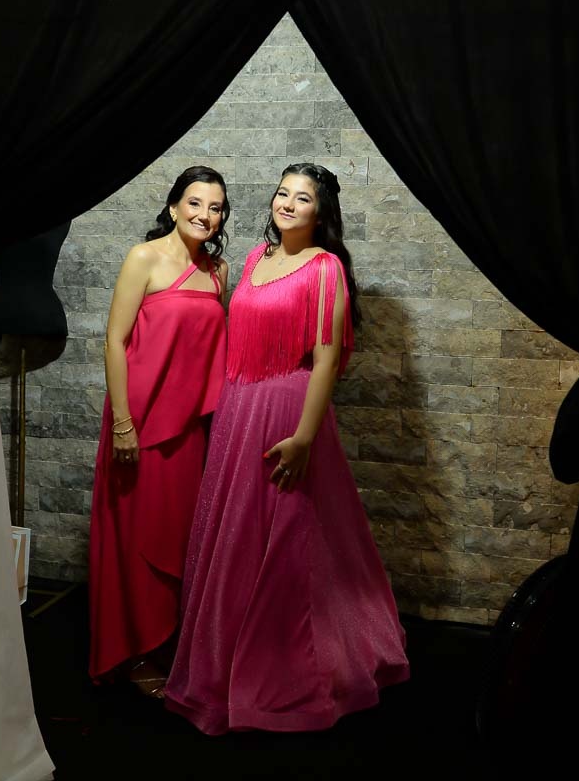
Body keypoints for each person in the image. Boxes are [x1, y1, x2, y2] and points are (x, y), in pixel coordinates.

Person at [165, 162, 409, 734]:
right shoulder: (255, 258)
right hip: (238, 410)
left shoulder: (325, 268)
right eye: (282, 193)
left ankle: (286, 667)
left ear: (320, 212)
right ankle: (224, 660)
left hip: (287, 413)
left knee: (289, 538)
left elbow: (327, 359)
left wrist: (304, 436)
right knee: (237, 534)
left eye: (302, 198)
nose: (287, 204)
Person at [88, 166, 229, 697]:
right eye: (195, 202)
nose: (204, 215)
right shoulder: (142, 258)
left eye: (216, 207)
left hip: (188, 429)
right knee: (133, 536)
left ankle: (170, 643)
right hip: (139, 423)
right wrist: (123, 424)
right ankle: (133, 653)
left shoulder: (219, 271)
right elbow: (114, 341)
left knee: (177, 536)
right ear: (173, 207)